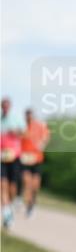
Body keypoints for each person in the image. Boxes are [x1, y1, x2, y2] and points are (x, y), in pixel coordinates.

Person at [19, 108, 50, 218]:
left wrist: (43, 143)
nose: (28, 118)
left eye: (30, 116)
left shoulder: (40, 126)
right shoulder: (21, 127)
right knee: (27, 182)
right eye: (26, 116)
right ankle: (27, 204)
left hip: (37, 159)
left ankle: (32, 204)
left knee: (35, 185)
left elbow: (46, 136)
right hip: (25, 159)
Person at [1, 97, 24, 229]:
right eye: (3, 105)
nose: (5, 108)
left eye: (6, 106)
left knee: (12, 187)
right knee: (2, 185)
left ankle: (9, 207)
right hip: (2, 157)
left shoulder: (16, 118)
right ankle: (6, 213)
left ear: (10, 106)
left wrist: (16, 132)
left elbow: (24, 135)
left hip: (14, 157)